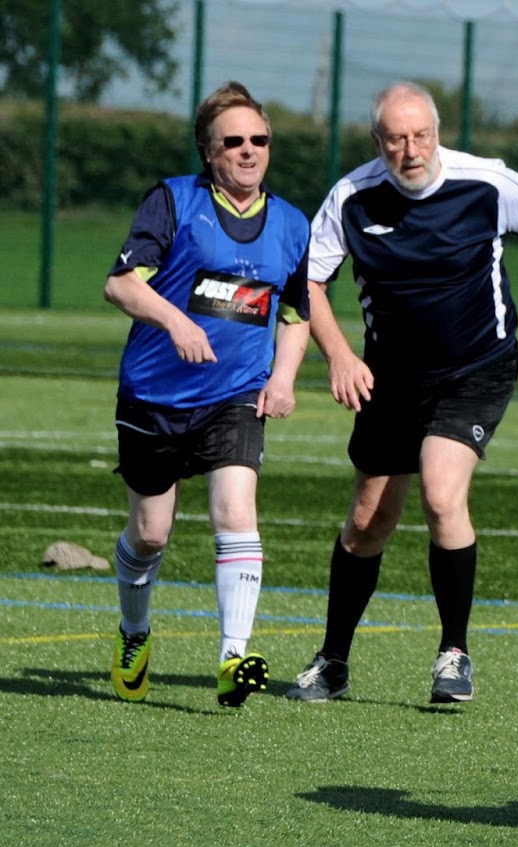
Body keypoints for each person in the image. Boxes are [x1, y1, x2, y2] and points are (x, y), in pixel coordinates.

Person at [285, 80, 518, 704]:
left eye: (421, 136)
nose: (410, 150)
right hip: (389, 378)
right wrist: (339, 354)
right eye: (395, 139)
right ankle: (332, 660)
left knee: (441, 495)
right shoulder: (352, 198)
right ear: (377, 140)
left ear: (436, 133)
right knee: (367, 521)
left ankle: (454, 654)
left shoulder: (488, 182)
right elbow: (310, 281)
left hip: (476, 369)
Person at [103, 81, 311, 707]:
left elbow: (296, 316)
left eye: (259, 140)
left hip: (236, 394)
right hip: (154, 395)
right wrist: (177, 319)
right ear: (208, 151)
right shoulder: (173, 202)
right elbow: (120, 286)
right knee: (151, 534)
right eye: (234, 142)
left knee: (235, 513)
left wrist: (283, 378)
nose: (249, 151)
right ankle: (134, 632)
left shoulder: (292, 225)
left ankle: (232, 656)